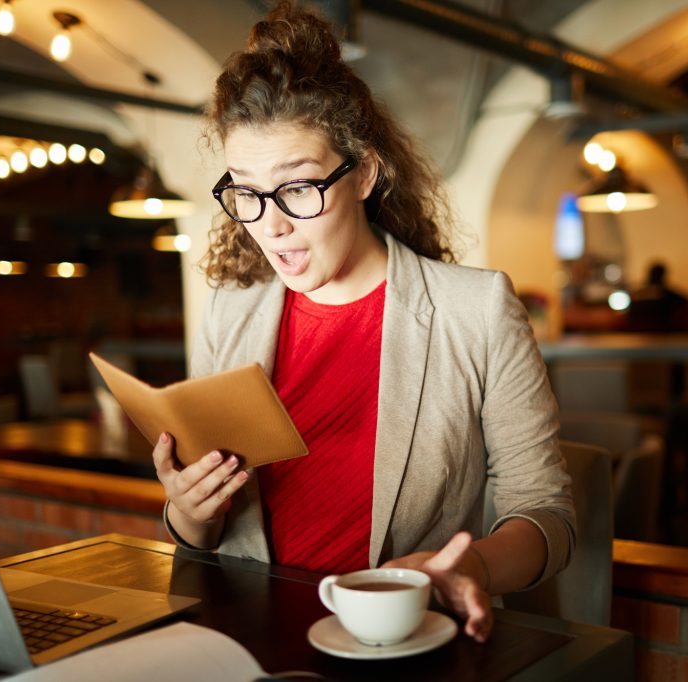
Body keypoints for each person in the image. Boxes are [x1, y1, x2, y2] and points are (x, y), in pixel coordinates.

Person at [153, 1, 575, 643]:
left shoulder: (476, 311)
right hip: (249, 636)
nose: (271, 224)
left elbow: (548, 516)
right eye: (245, 191)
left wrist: (472, 567)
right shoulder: (230, 312)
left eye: (298, 187)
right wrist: (187, 513)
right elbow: (205, 540)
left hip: (401, 641)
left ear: (365, 175)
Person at [627, 261, 688, 331]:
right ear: (663, 276)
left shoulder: (637, 293)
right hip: (662, 333)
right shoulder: (667, 293)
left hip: (636, 333)